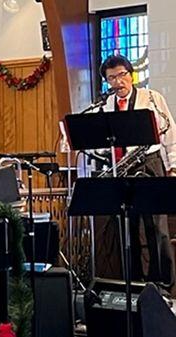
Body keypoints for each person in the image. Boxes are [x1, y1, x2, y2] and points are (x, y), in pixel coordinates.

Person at [95, 54, 176, 287]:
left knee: (156, 227)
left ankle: (163, 283)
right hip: (122, 168)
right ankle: (133, 281)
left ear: (131, 75)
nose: (118, 81)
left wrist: (172, 167)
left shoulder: (151, 98)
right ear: (107, 82)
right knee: (126, 228)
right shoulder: (106, 105)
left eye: (122, 75)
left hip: (150, 162)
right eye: (112, 78)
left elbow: (170, 135)